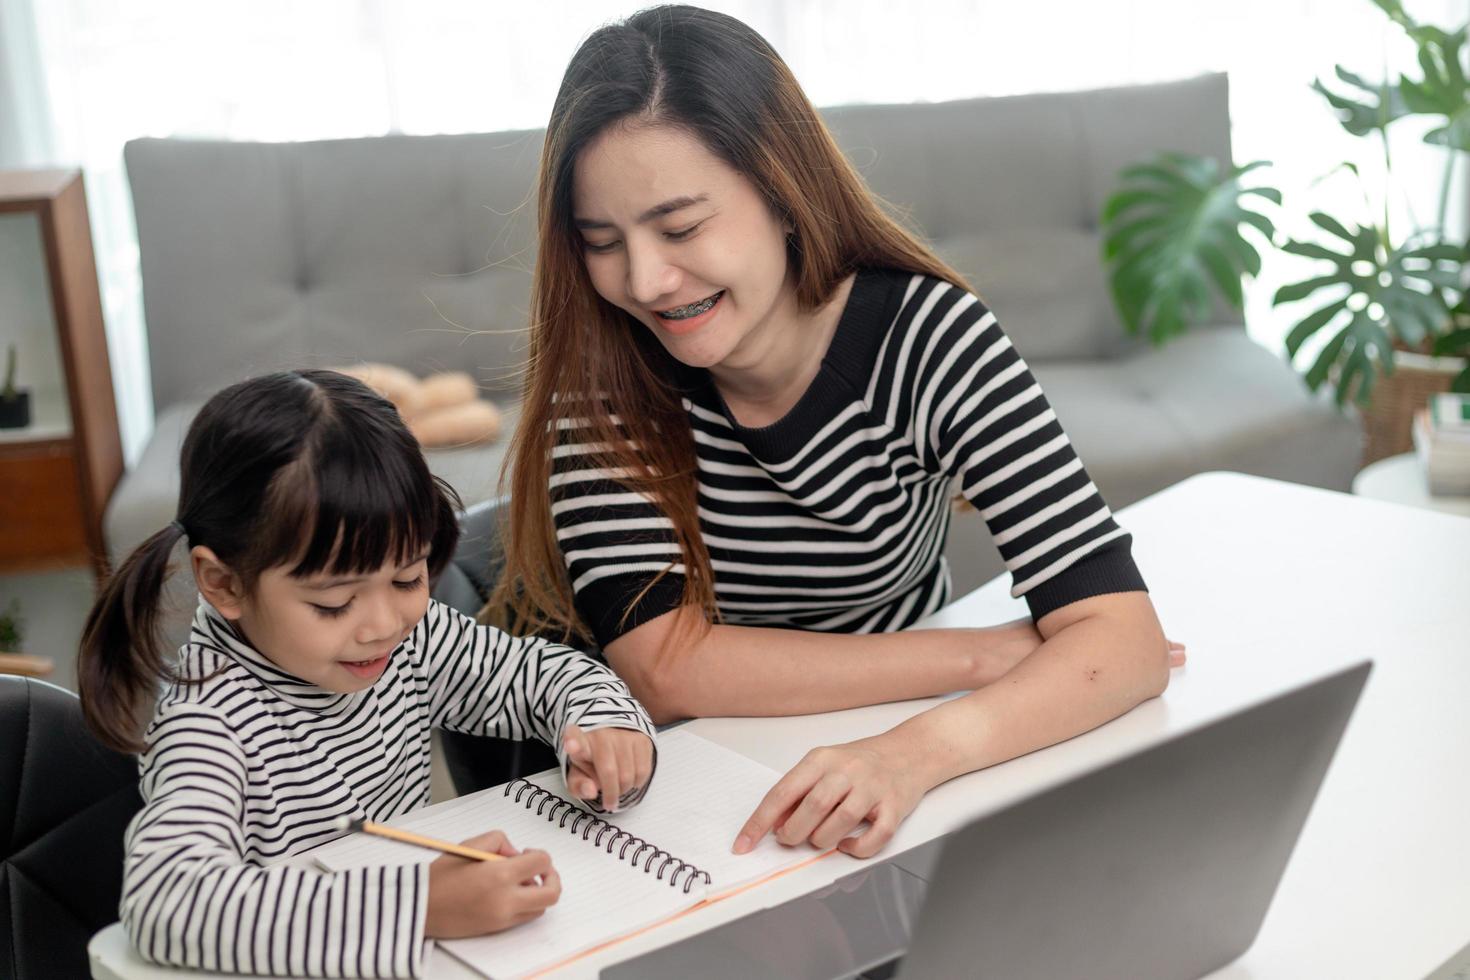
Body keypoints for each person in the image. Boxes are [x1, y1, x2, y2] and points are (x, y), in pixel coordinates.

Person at [493, 5, 1184, 863]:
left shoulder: (931, 340)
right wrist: (974, 659)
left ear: (783, 192)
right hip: (671, 786)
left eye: (680, 228)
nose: (644, 280)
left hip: (881, 750)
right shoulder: (602, 382)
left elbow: (1125, 641)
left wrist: (914, 753)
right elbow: (664, 672)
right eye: (602, 242)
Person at [78, 370, 656, 978]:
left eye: (407, 579)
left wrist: (602, 725)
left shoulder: (413, 638)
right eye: (332, 604)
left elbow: (538, 674)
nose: (383, 623)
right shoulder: (208, 725)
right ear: (224, 583)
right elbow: (167, 901)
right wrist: (422, 906)